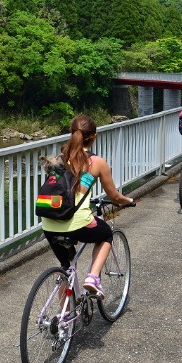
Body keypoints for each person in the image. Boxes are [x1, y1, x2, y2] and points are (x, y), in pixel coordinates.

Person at [41, 114, 134, 299]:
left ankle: (65, 314)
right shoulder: (96, 162)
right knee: (106, 234)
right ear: (94, 137)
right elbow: (114, 196)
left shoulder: (59, 159)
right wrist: (128, 201)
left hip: (49, 222)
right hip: (78, 222)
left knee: (66, 267)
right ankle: (93, 278)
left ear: (72, 134)